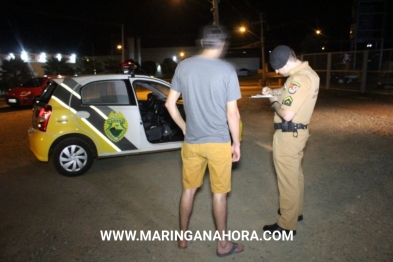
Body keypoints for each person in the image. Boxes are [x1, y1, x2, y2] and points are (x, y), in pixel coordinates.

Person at [165, 25, 244, 257]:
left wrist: (184, 127)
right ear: (221, 45)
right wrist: (236, 143)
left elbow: (170, 104)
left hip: (192, 142)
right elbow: (233, 114)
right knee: (219, 194)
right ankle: (222, 245)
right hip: (219, 142)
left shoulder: (184, 66)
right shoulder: (227, 70)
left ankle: (182, 237)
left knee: (188, 190)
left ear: (202, 42)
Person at [262, 45, 320, 235]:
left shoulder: (299, 79)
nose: (277, 71)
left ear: (287, 62)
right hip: (298, 133)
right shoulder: (308, 73)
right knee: (295, 176)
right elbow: (289, 92)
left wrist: (272, 101)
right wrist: (273, 91)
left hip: (288, 135)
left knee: (287, 180)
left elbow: (286, 113)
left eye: (278, 68)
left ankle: (286, 225)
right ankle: (296, 212)